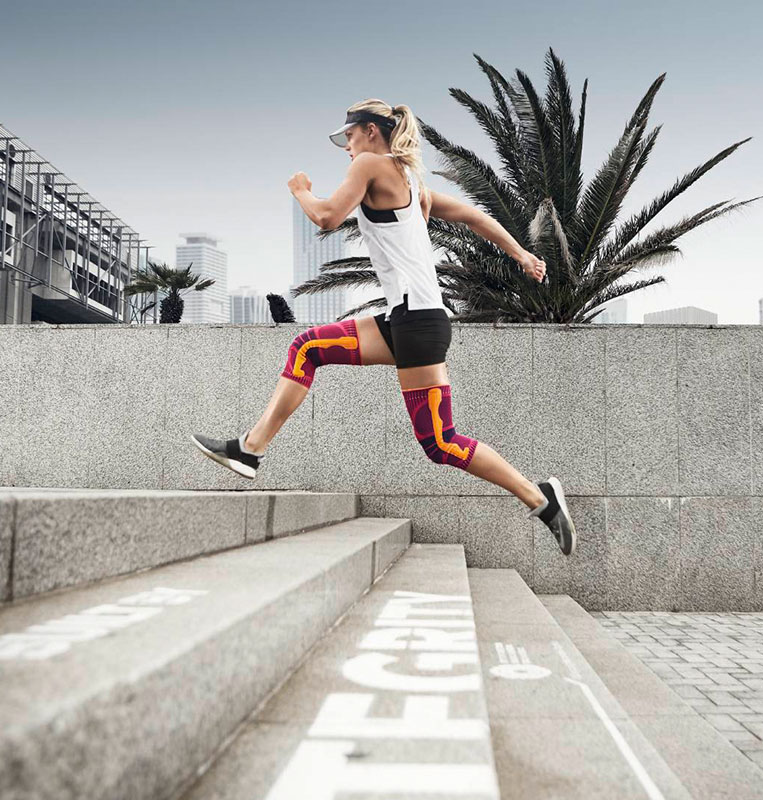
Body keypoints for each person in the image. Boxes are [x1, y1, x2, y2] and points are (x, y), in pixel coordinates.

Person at [191, 99, 576, 556]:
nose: (347, 149)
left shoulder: (373, 164)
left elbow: (327, 216)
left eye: (349, 138)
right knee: (306, 348)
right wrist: (521, 255)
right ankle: (249, 450)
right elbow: (475, 216)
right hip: (407, 320)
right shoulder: (413, 183)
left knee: (440, 442)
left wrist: (300, 190)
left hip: (416, 323)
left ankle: (540, 499)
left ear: (371, 131)